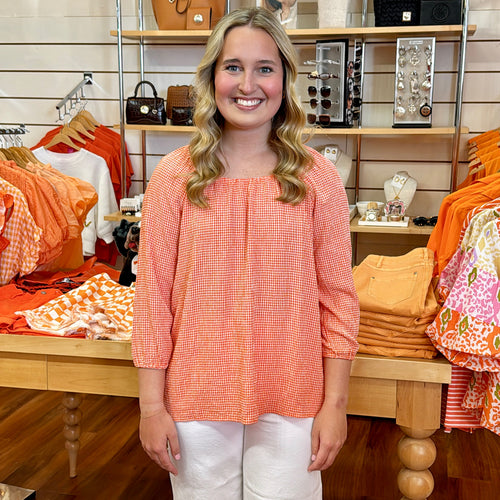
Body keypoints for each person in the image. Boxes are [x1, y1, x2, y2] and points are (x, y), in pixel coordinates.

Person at [132, 7, 359, 499]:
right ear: (212, 76)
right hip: (195, 392)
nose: (247, 83)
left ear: (285, 79)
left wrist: (336, 405)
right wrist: (152, 408)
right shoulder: (176, 177)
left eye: (265, 68)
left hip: (294, 392)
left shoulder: (316, 178)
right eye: (233, 66)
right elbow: (152, 297)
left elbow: (338, 298)